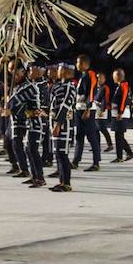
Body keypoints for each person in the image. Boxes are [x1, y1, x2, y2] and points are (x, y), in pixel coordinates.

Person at [10, 63, 48, 188]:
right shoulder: (28, 86)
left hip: (36, 123)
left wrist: (8, 106)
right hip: (30, 123)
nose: (30, 72)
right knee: (29, 149)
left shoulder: (31, 87)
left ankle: (40, 177)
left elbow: (16, 100)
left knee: (33, 150)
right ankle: (35, 176)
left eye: (32, 70)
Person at [49, 63, 79, 191]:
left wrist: (58, 124)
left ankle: (66, 183)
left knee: (63, 154)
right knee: (58, 154)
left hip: (64, 125)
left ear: (68, 73)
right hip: (55, 124)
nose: (58, 71)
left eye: (60, 70)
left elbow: (65, 107)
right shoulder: (58, 86)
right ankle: (61, 181)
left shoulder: (69, 87)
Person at [73, 54, 103, 172]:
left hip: (86, 109)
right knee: (79, 135)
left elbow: (91, 92)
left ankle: (96, 163)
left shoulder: (90, 74)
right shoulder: (82, 76)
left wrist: (88, 109)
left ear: (85, 64)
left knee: (91, 136)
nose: (77, 64)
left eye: (79, 62)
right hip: (79, 108)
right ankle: (76, 160)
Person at [111, 68, 133, 163]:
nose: (113, 77)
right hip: (118, 113)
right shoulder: (120, 85)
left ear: (118, 76)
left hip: (121, 113)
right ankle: (128, 153)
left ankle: (120, 156)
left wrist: (120, 112)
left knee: (119, 135)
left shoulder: (124, 85)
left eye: (114, 75)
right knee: (119, 135)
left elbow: (124, 99)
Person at [95, 72, 114, 152]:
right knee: (95, 128)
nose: (99, 79)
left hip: (102, 109)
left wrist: (102, 109)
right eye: (98, 77)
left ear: (104, 79)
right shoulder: (95, 87)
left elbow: (105, 99)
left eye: (101, 78)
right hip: (95, 109)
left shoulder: (105, 87)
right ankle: (96, 146)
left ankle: (110, 144)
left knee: (102, 128)